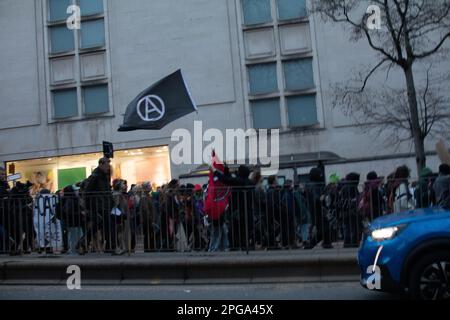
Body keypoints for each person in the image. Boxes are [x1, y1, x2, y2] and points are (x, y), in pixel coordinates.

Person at [83, 157, 113, 253]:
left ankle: (110, 247)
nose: (108, 166)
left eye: (108, 164)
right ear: (101, 164)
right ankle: (110, 247)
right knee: (101, 226)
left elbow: (107, 191)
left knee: (104, 226)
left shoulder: (105, 176)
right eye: (106, 164)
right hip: (98, 206)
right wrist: (88, 207)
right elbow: (87, 191)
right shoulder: (95, 176)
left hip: (104, 205)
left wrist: (111, 202)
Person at [305, 167, 331, 249]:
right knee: (323, 228)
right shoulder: (314, 186)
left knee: (324, 228)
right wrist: (322, 198)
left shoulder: (311, 185)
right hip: (318, 210)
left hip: (316, 210)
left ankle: (326, 243)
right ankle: (311, 244)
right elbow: (317, 198)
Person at [57, 185, 84, 255]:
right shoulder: (71, 199)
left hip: (73, 221)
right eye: (75, 190)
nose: (77, 191)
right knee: (74, 236)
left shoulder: (68, 199)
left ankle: (73, 250)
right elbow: (68, 210)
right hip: (74, 221)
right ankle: (73, 250)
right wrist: (80, 213)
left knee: (73, 236)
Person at [338, 173, 361, 248]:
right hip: (351, 212)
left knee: (347, 228)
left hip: (345, 212)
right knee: (353, 228)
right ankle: (353, 242)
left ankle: (347, 243)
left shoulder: (344, 187)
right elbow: (354, 199)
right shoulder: (352, 187)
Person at [140, 182, 156, 252]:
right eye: (149, 186)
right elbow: (145, 209)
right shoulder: (144, 198)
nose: (151, 187)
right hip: (147, 220)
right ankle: (148, 249)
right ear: (145, 188)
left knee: (150, 235)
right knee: (148, 235)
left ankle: (150, 248)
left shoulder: (149, 196)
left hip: (150, 219)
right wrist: (151, 220)